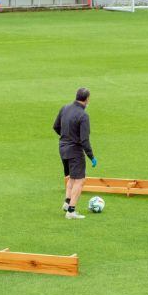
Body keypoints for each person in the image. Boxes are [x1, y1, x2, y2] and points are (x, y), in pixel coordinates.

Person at [53, 88, 96, 219]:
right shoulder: (83, 116)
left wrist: (66, 137)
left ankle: (67, 203)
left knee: (72, 177)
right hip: (75, 151)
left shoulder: (65, 108)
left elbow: (55, 126)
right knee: (80, 180)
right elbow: (84, 139)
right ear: (87, 99)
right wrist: (91, 156)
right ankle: (71, 211)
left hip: (62, 148)